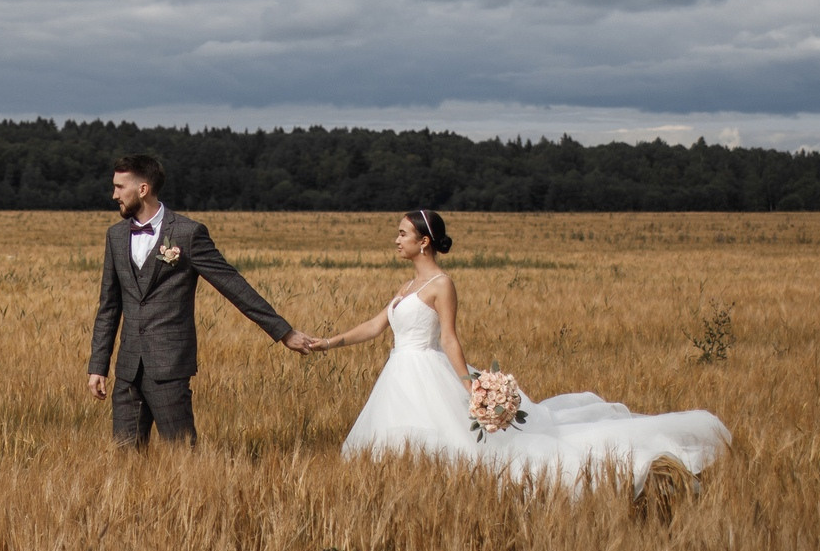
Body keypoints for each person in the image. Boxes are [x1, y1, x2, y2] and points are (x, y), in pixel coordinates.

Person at [309, 209, 729, 492]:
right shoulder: (405, 288)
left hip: (429, 373)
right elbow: (376, 325)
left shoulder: (441, 284)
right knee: (393, 446)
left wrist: (471, 386)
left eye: (402, 233)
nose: (395, 240)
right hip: (398, 377)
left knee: (456, 450)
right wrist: (327, 343)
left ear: (424, 242)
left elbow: (450, 338)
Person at [87, 153, 320, 445]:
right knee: (124, 462)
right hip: (127, 370)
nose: (114, 195)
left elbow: (232, 284)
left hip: (169, 367)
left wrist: (283, 332)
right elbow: (109, 306)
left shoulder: (188, 233)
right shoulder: (116, 236)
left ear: (143, 189)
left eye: (120, 187)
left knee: (183, 454)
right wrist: (98, 365)